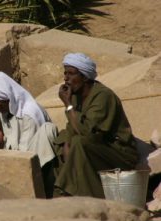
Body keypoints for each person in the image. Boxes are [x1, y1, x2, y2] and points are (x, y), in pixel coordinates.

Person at [53, 53, 139, 198]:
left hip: (119, 153)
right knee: (60, 142)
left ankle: (75, 193)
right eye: (65, 73)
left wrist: (68, 105)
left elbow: (87, 132)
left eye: (71, 74)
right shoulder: (75, 96)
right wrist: (67, 144)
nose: (66, 78)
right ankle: (70, 188)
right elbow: (72, 128)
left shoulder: (103, 97)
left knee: (80, 142)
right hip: (94, 148)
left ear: (85, 77)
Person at [0, 71, 57, 197]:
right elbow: (11, 148)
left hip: (25, 168)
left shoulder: (29, 115)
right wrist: (0, 144)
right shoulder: (5, 110)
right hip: (11, 160)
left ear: (7, 96)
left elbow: (22, 160)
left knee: (47, 128)